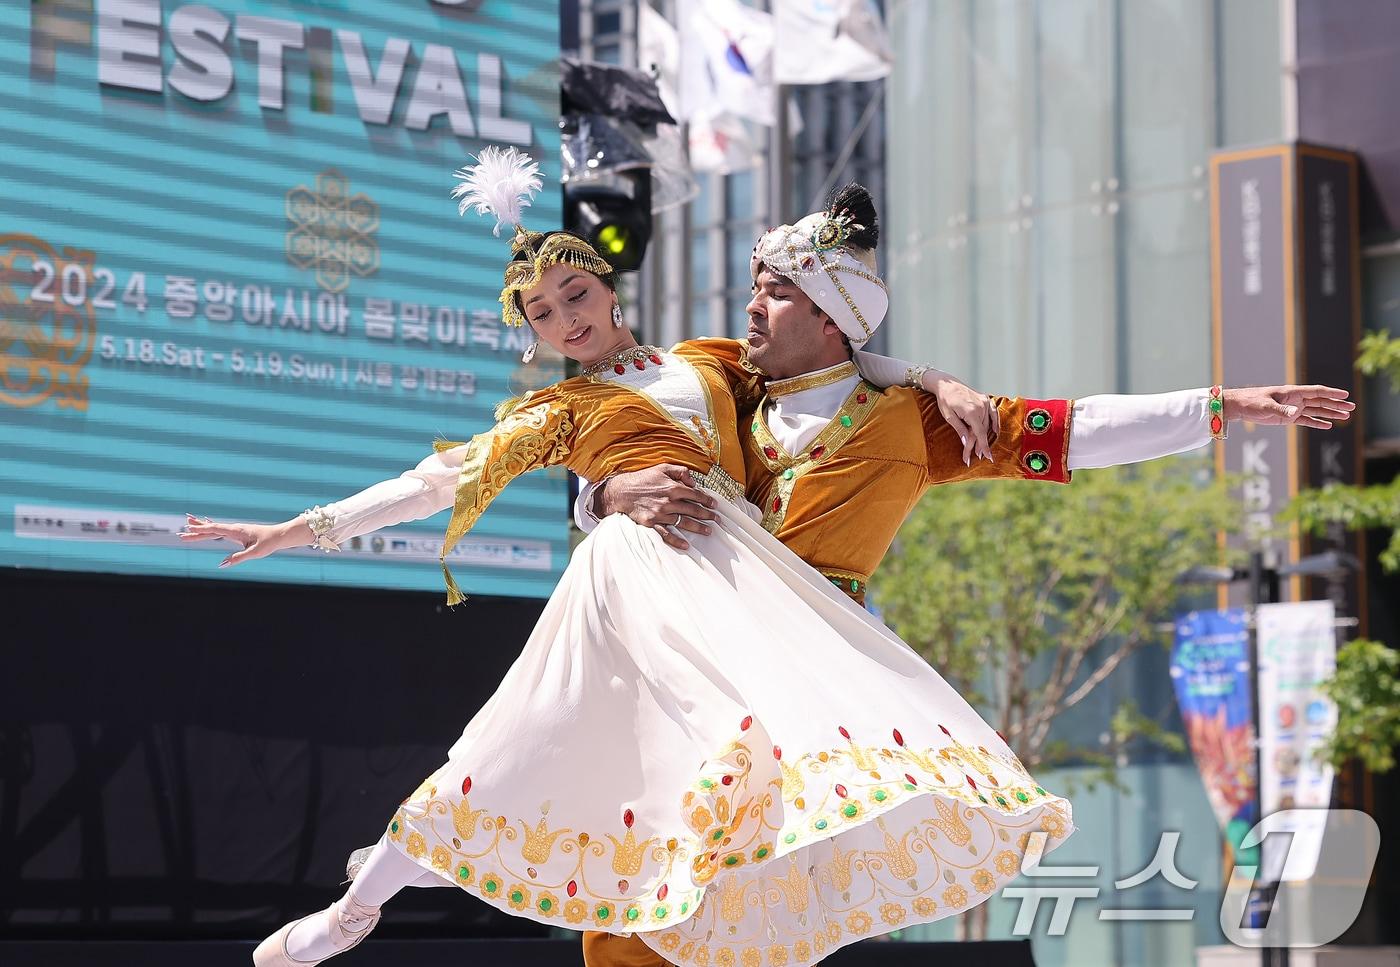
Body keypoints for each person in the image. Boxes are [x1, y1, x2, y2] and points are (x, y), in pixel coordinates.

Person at [182, 149, 1061, 967]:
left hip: (730, 581)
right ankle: (357, 908)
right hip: (625, 585)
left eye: (573, 294)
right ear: (529, 332)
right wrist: (298, 529)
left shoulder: (710, 365)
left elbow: (841, 363)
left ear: (605, 287)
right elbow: (433, 481)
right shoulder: (555, 411)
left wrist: (936, 378)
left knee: (733, 759)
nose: (564, 317)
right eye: (542, 312)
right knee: (516, 750)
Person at [569, 189, 1354, 967]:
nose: (750, 309)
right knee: (633, 877)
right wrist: (603, 495)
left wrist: (1224, 405)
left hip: (801, 682)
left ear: (830, 318)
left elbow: (1072, 428)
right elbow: (596, 441)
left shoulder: (911, 420)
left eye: (775, 294)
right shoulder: (719, 380)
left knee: (745, 897)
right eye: (754, 289)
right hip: (690, 657)